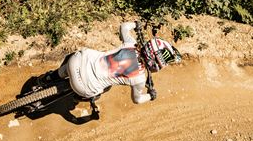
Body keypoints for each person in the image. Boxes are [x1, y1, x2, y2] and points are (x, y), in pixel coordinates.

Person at [48, 21, 181, 114]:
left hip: (76, 62)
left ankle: (49, 77)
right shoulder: (139, 79)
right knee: (106, 87)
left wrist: (136, 24)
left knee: (72, 63)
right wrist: (150, 96)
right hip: (84, 88)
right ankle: (77, 98)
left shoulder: (131, 44)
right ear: (157, 63)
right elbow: (137, 100)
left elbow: (124, 26)